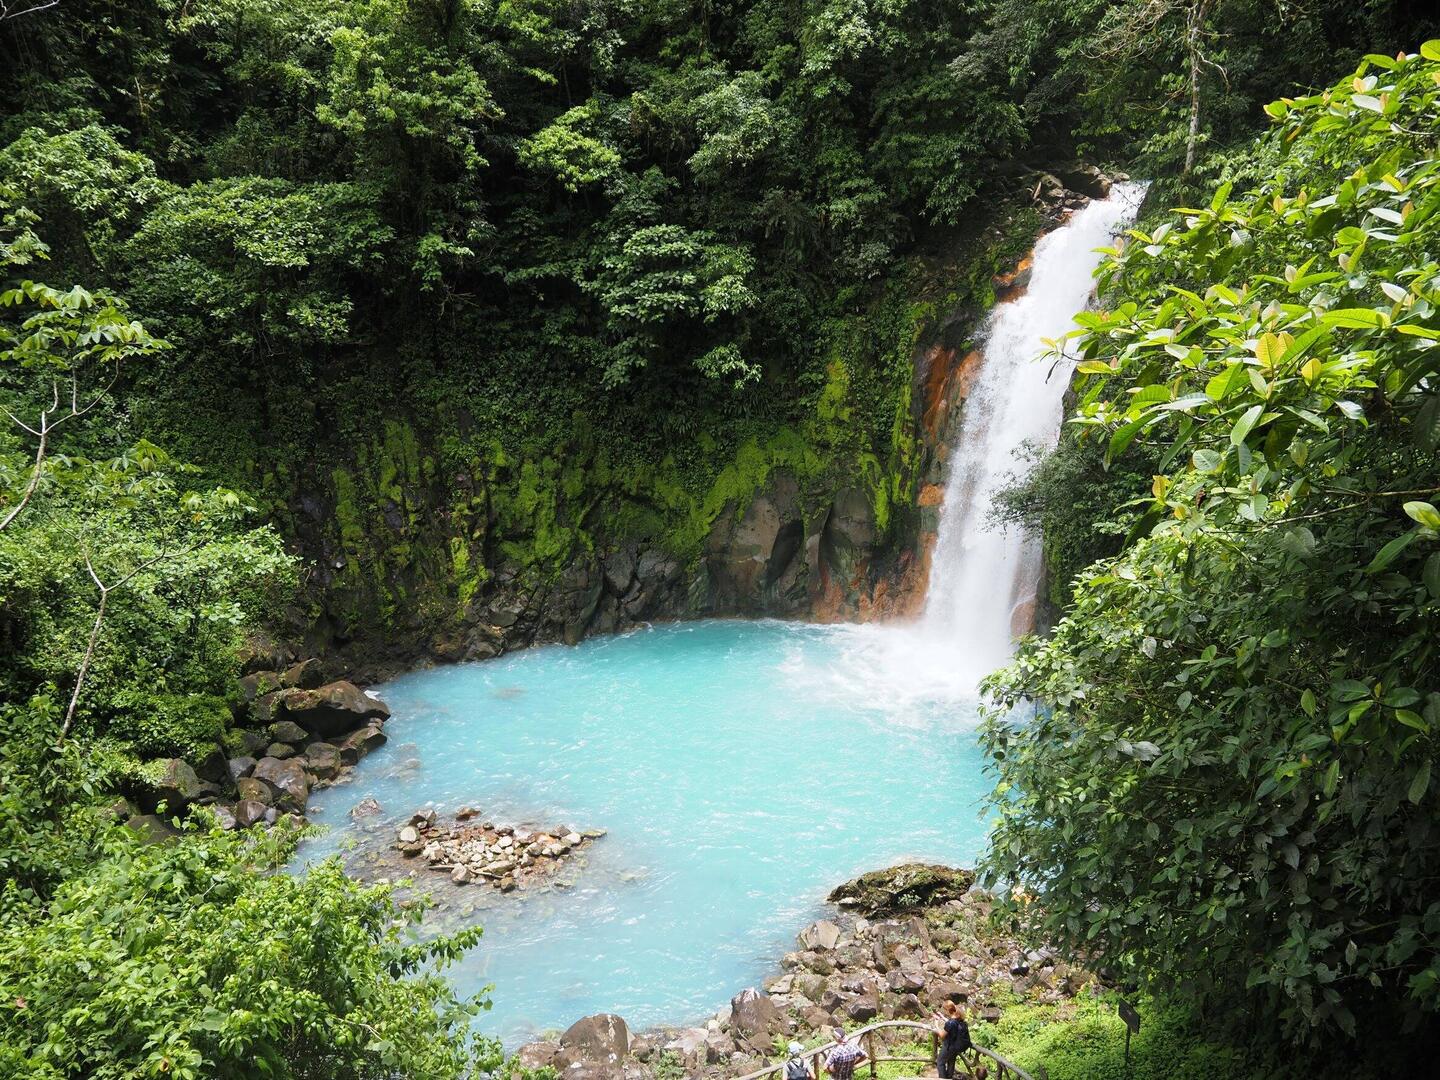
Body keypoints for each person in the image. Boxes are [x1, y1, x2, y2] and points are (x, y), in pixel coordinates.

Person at [933, 1001, 971, 1079]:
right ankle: (949, 1077)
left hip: (949, 1046)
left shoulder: (950, 1023)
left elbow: (942, 1036)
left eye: (944, 1009)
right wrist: (942, 1017)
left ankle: (943, 1078)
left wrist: (936, 1024)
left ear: (948, 1010)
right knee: (951, 1062)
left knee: (940, 1062)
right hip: (956, 1047)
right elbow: (953, 1023)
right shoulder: (959, 1018)